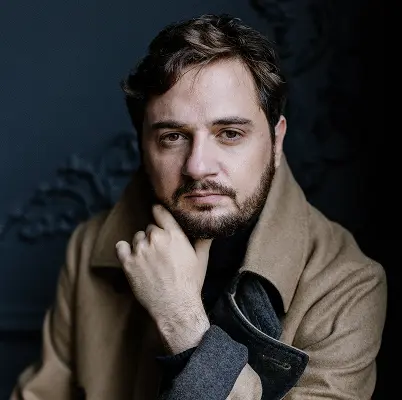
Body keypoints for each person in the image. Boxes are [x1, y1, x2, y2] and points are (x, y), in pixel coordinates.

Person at [11, 13, 387, 400]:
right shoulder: (91, 247)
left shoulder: (347, 284)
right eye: (173, 136)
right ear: (143, 146)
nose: (197, 166)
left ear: (276, 142)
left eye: (230, 134)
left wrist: (182, 320)